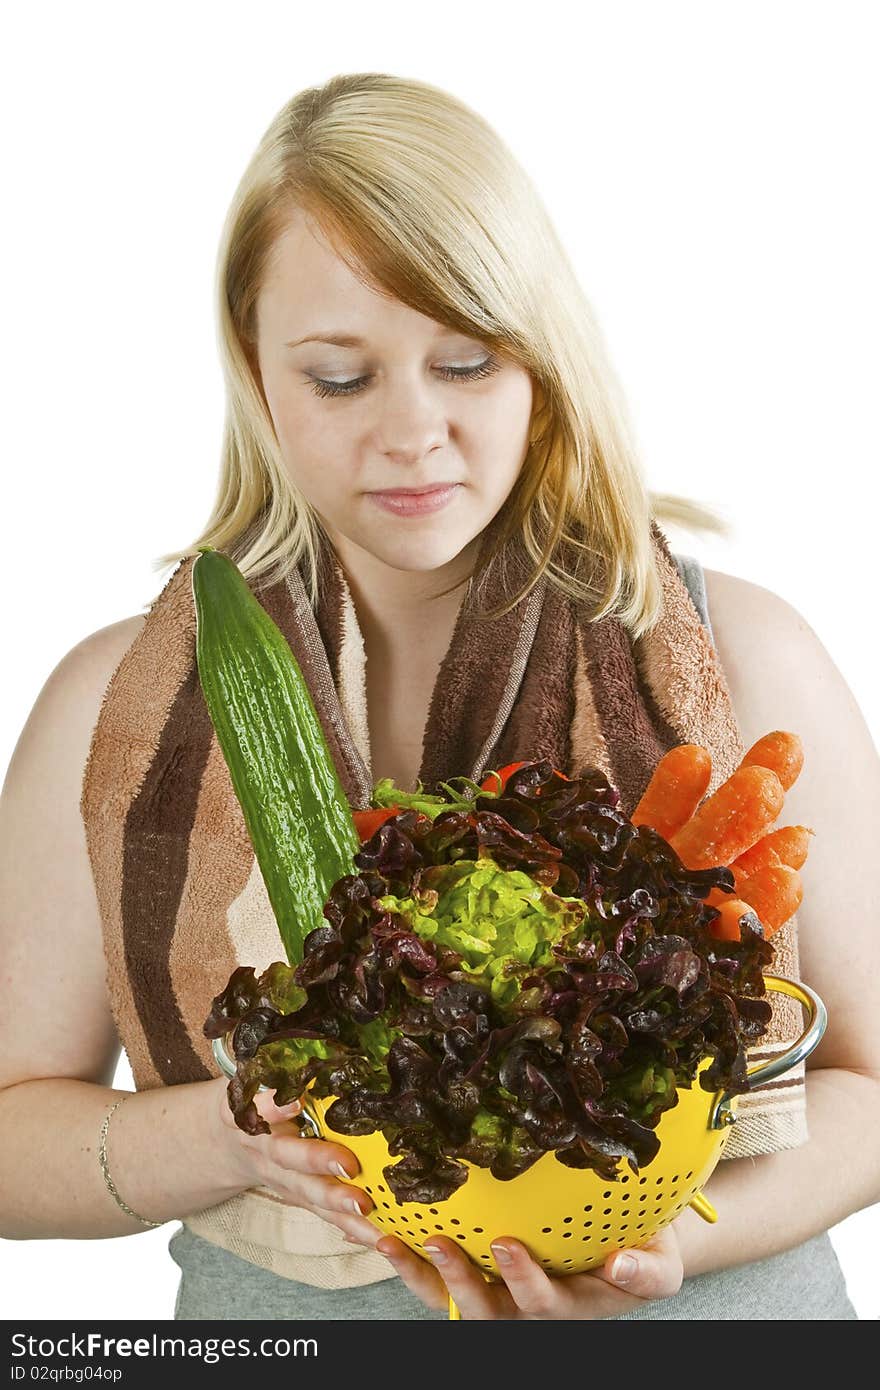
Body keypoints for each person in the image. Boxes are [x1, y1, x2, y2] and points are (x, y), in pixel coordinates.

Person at [1, 72, 876, 1323]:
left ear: (540, 364)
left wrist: (668, 1248)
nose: (412, 432)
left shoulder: (741, 655)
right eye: (340, 378)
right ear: (256, 378)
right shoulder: (117, 707)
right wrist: (230, 1139)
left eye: (463, 362)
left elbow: (874, 1083)